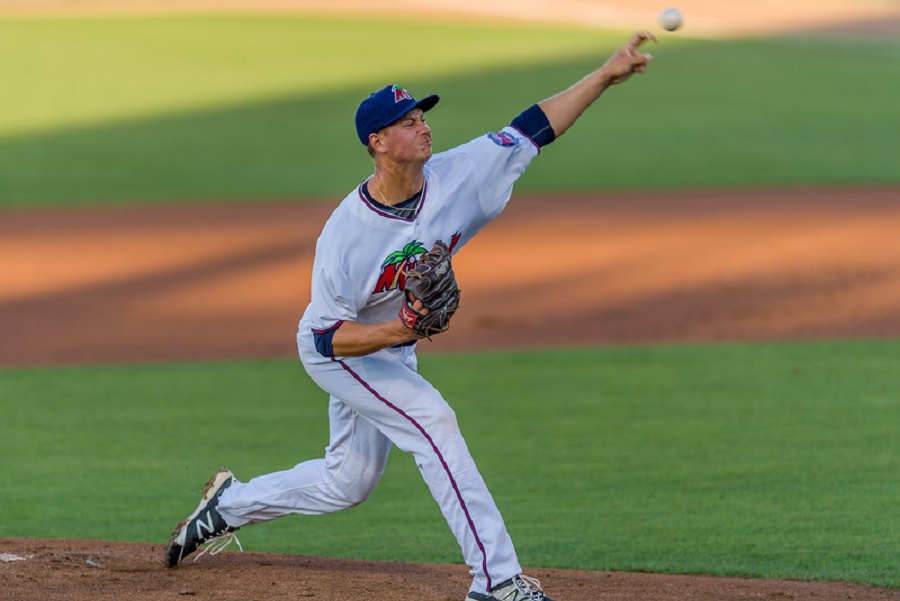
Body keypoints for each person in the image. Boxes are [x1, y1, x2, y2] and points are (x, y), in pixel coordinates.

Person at [164, 31, 657, 601]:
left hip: (389, 345)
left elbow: (532, 128)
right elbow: (324, 339)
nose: (423, 125)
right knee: (434, 421)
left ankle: (229, 505)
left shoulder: (459, 174)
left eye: (422, 115)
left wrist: (603, 75)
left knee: (347, 482)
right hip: (340, 351)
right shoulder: (345, 236)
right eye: (407, 121)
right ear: (377, 142)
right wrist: (399, 330)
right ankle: (496, 582)